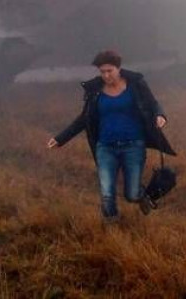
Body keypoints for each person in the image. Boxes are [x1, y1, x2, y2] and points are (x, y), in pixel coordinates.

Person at [47, 50, 176, 221]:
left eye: (110, 71)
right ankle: (111, 226)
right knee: (107, 193)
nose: (106, 75)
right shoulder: (95, 91)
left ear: (118, 68)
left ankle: (143, 196)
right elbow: (83, 119)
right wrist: (60, 138)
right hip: (105, 147)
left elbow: (152, 104)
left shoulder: (136, 85)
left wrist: (160, 116)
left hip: (133, 145)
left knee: (131, 193)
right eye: (102, 72)